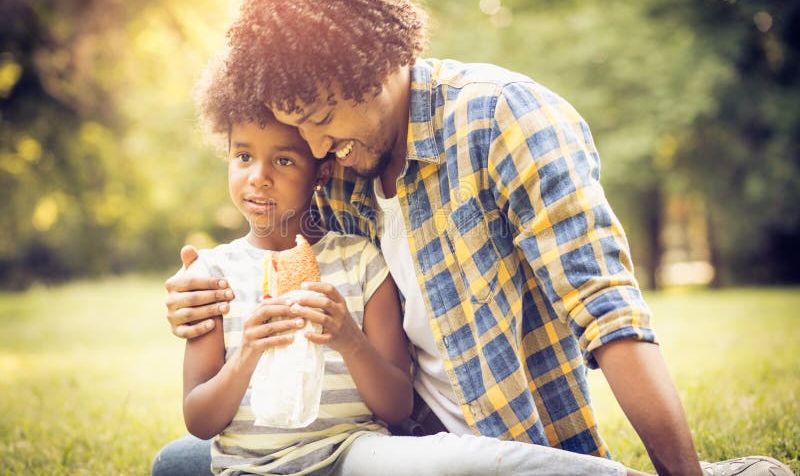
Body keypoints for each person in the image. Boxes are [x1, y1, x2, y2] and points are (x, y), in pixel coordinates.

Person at [157, 0, 794, 476]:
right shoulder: (341, 169)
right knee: (179, 464)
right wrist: (198, 287)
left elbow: (607, 310)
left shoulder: (504, 120)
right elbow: (277, 238)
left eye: (321, 124)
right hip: (377, 445)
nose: (318, 151)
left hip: (499, 446)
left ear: (374, 68)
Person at [158, 53, 653, 476]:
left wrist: (346, 336)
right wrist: (222, 321)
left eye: (289, 157)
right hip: (274, 452)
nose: (263, 176)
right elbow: (200, 415)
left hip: (374, 448)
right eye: (242, 156)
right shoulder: (229, 263)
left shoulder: (362, 249)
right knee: (172, 463)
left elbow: (606, 308)